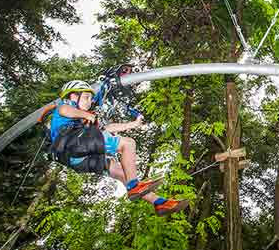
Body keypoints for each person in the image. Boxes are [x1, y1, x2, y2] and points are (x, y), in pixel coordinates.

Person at [48, 80, 188, 216]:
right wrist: (87, 115)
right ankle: (134, 186)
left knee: (120, 171)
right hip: (73, 143)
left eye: (90, 98)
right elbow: (65, 110)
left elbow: (107, 128)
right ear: (73, 96)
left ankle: (160, 203)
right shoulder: (65, 107)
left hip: (77, 160)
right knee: (128, 144)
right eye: (86, 97)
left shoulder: (81, 121)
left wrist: (133, 124)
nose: (89, 101)